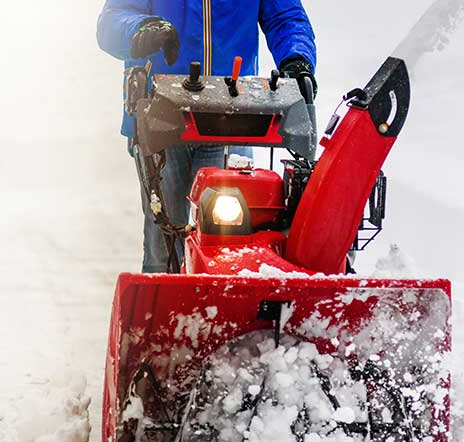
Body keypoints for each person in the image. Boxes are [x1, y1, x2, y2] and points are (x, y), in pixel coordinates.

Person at [97, 0, 317, 273]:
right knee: (164, 242)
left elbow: (286, 18)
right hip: (160, 114)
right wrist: (142, 28)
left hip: (235, 116)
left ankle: (222, 309)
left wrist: (297, 58)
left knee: (230, 236)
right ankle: (162, 310)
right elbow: (112, 20)